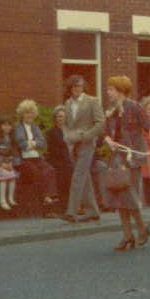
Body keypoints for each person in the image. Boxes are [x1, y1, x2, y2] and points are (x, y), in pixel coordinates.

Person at [103, 75, 150, 252]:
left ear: (120, 90)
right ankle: (129, 235)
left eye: (111, 89)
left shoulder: (135, 107)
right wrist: (108, 141)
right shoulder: (111, 109)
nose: (108, 92)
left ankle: (141, 229)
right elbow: (105, 132)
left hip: (133, 157)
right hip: (117, 156)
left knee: (130, 194)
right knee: (119, 195)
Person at [62, 74, 105, 223]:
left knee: (78, 176)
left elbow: (100, 123)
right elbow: (66, 125)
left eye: (79, 86)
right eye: (74, 86)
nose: (77, 89)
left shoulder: (92, 101)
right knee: (84, 177)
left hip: (87, 144)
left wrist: (86, 136)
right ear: (70, 88)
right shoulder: (67, 104)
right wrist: (67, 136)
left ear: (83, 87)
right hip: (73, 145)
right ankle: (93, 211)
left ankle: (71, 212)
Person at [13, 99, 59, 212]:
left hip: (36, 157)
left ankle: (51, 196)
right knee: (36, 173)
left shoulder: (35, 126)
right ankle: (46, 198)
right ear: (22, 114)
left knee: (49, 170)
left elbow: (42, 142)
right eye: (26, 112)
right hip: (23, 159)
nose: (29, 115)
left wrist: (31, 143)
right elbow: (21, 144)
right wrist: (34, 143)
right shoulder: (18, 127)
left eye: (31, 112)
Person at [0, 114, 20, 211]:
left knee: (12, 177)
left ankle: (10, 198)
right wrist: (1, 164)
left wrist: (10, 163)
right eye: (4, 125)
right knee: (4, 178)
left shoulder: (11, 138)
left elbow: (13, 153)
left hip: (7, 164)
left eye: (9, 125)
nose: (7, 127)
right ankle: (2, 200)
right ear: (0, 126)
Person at [45, 106, 74, 212]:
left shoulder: (71, 131)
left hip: (71, 160)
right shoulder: (52, 132)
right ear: (55, 118)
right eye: (59, 117)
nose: (62, 119)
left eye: (64, 117)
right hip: (59, 161)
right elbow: (54, 151)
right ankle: (65, 207)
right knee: (66, 173)